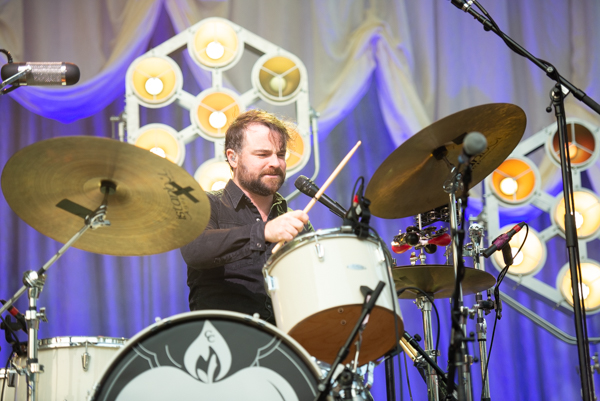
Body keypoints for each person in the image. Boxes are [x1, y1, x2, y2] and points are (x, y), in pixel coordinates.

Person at [181, 109, 311, 324]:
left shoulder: (294, 223)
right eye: (262, 154)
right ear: (233, 157)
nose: (275, 163)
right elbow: (195, 249)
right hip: (224, 336)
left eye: (280, 155)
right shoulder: (206, 205)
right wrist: (263, 232)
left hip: (286, 339)